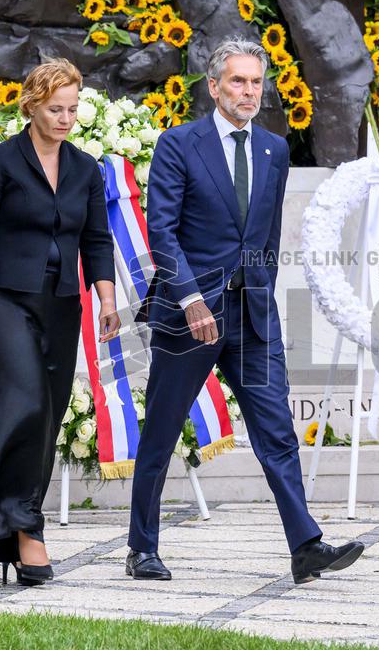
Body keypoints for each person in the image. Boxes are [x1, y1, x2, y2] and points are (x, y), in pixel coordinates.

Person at [127, 39, 364, 584]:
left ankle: (306, 547)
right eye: (238, 81)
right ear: (214, 87)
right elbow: (161, 231)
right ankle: (141, 548)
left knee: (277, 431)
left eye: (256, 82)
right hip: (189, 316)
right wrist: (190, 299)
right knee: (162, 430)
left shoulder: (274, 150)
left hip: (252, 317)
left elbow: (267, 236)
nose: (249, 92)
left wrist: (261, 292)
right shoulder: (178, 144)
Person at [0, 58, 121, 586]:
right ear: (31, 106)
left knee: (45, 416)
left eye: (72, 109)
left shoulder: (85, 169)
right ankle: (26, 528)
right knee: (25, 400)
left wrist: (107, 300)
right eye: (55, 110)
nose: (66, 119)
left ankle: (16, 522)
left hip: (62, 303)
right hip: (2, 300)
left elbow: (96, 239)